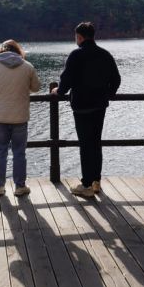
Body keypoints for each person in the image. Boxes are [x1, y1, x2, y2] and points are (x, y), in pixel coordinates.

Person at [53, 22, 120, 198]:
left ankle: (87, 185)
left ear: (80, 37)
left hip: (82, 107)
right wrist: (108, 94)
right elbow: (116, 79)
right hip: (99, 105)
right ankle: (96, 181)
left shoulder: (76, 55)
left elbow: (66, 80)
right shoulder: (105, 54)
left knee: (85, 145)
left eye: (76, 37)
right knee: (96, 143)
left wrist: (58, 92)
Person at [0, 39, 41, 197]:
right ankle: (20, 186)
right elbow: (36, 87)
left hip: (0, 117)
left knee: (0, 152)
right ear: (18, 51)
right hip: (20, 117)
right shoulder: (27, 67)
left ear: (1, 51)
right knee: (19, 153)